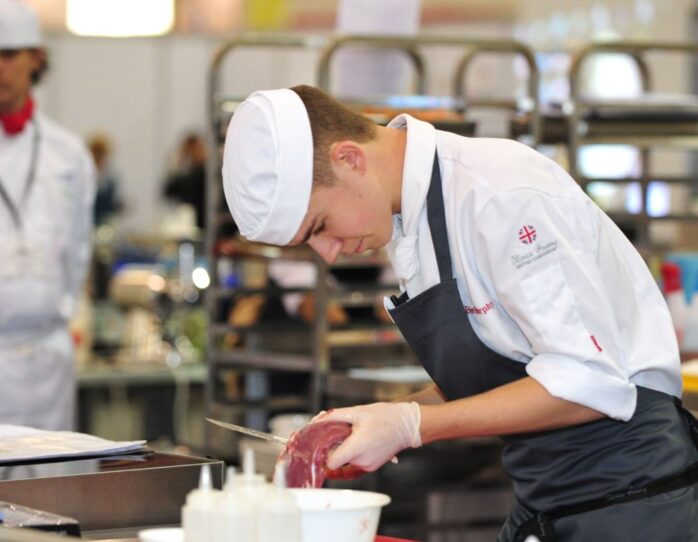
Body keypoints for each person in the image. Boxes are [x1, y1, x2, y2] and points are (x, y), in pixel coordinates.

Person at [221, 85, 698, 540]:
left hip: (634, 500)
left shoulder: (500, 192)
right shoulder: (411, 218)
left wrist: (413, 426)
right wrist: (381, 418)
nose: (327, 254)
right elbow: (506, 374)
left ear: (350, 159)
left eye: (320, 226)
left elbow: (587, 384)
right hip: (549, 500)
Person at [0, 0, 95, 430]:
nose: (0, 69)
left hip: (47, 356)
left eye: (8, 55)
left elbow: (79, 247)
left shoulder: (67, 153)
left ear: (35, 58)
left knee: (49, 485)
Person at [163, 132, 207, 230]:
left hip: (203, 224)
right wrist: (177, 165)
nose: (190, 154)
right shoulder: (189, 172)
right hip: (192, 225)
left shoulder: (204, 173)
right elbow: (168, 191)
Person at [88, 133, 122, 226]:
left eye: (101, 155)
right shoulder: (85, 176)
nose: (99, 158)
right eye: (96, 154)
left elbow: (112, 204)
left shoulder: (110, 178)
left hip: (105, 224)